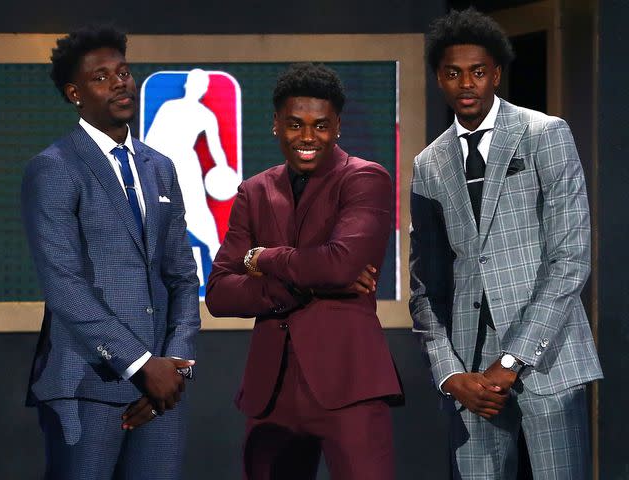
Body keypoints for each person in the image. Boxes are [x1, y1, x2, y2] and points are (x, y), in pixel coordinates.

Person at [409, 8, 603, 479]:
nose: (467, 84)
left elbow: (570, 258)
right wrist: (450, 374)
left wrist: (513, 358)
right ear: (439, 78)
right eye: (453, 73)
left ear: (496, 73)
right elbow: (425, 284)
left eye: (478, 71)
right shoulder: (429, 163)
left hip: (547, 358)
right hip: (472, 375)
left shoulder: (545, 135)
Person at [206, 63, 403, 480]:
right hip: (271, 393)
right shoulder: (254, 191)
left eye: (321, 125)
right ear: (276, 125)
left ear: (337, 127)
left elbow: (341, 264)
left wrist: (263, 259)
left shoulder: (365, 178)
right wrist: (308, 283)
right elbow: (220, 292)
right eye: (295, 124)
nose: (308, 137)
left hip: (349, 385)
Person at [21, 25, 200, 480]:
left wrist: (175, 366)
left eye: (123, 72)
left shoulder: (160, 167)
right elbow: (64, 287)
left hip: (163, 393)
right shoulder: (54, 168)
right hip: (86, 386)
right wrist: (141, 365)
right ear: (74, 93)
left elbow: (182, 275)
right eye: (102, 77)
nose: (120, 82)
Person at [145, 69, 240, 290]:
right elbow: (150, 140)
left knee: (198, 211)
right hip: (163, 164)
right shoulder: (169, 107)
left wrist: (223, 168)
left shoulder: (206, 115)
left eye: (202, 85)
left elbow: (216, 148)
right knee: (158, 214)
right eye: (196, 84)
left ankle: (218, 256)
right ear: (188, 85)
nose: (199, 88)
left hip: (187, 165)